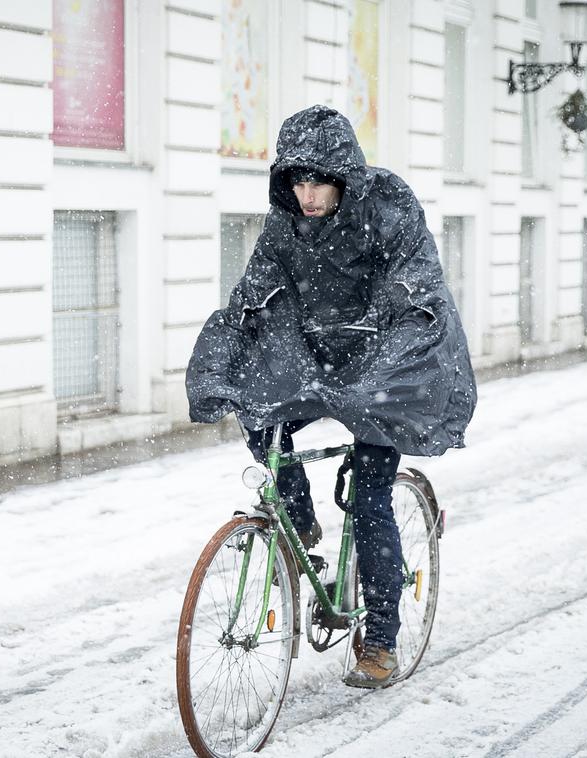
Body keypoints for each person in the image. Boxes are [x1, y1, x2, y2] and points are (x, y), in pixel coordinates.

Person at [186, 105, 477, 688]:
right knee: (259, 417)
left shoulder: (387, 209)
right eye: (296, 181)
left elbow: (414, 285)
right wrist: (219, 370)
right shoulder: (282, 227)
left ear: (343, 175)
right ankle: (296, 519)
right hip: (319, 357)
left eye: (317, 180)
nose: (307, 194)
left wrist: (379, 340)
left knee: (370, 496)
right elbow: (251, 301)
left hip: (385, 356)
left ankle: (381, 641)